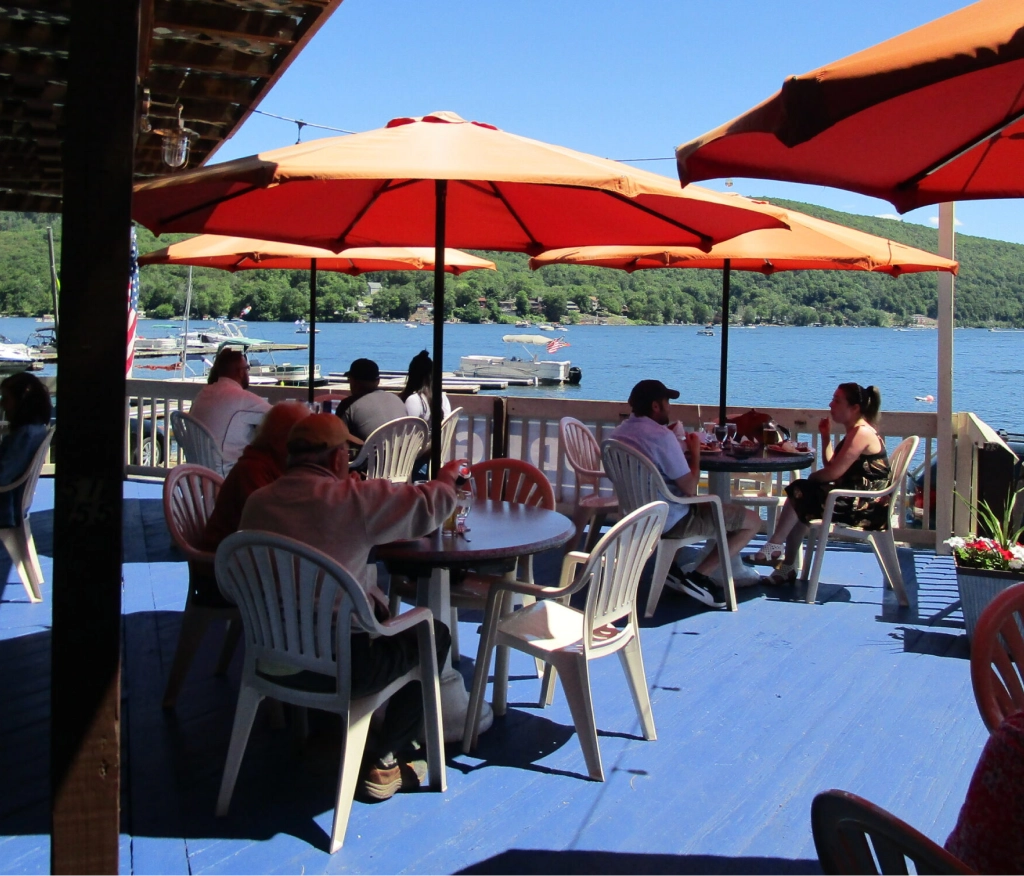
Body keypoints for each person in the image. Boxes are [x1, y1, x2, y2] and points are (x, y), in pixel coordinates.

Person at [239, 413, 463, 801]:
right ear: (337, 458)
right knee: (432, 633)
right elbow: (427, 507)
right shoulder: (354, 500)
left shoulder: (257, 503)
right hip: (345, 669)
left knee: (340, 618)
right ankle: (386, 760)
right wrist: (446, 480)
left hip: (274, 662)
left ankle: (330, 734)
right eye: (346, 453)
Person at [611, 379, 760, 600]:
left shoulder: (617, 435)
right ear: (655, 406)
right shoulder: (662, 437)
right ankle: (700, 576)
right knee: (753, 521)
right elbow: (689, 487)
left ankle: (670, 570)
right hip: (670, 520)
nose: (670, 407)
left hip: (635, 516)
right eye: (667, 402)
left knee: (693, 502)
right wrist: (695, 455)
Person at [744, 383, 890, 585]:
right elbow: (833, 465)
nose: (831, 404)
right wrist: (825, 436)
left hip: (864, 507)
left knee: (801, 491)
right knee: (801, 497)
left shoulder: (861, 433)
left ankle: (776, 547)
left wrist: (811, 481)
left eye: (837, 400)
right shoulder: (856, 431)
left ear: (855, 408)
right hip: (854, 499)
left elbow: (833, 472)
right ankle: (785, 565)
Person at [201, 401, 309, 554]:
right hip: (224, 565)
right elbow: (270, 525)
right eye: (303, 438)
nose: (309, 445)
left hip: (250, 556)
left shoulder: (274, 464)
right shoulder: (252, 470)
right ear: (283, 439)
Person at [188, 347, 270, 468]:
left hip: (197, 473)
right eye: (247, 368)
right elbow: (279, 415)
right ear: (240, 372)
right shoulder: (239, 398)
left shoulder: (203, 393)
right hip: (226, 475)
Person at [0, 372, 51, 527]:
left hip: (6, 509)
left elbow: (3, 474)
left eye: (6, 399)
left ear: (21, 402)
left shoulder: (25, 436)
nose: (2, 404)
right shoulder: (36, 429)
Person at [333, 357, 407, 446]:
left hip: (371, 458)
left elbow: (338, 438)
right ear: (378, 381)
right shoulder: (396, 399)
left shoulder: (348, 405)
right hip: (405, 457)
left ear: (353, 381)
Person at [400, 350, 451, 426]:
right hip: (441, 438)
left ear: (412, 375)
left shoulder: (414, 400)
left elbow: (409, 432)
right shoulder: (443, 398)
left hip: (420, 438)